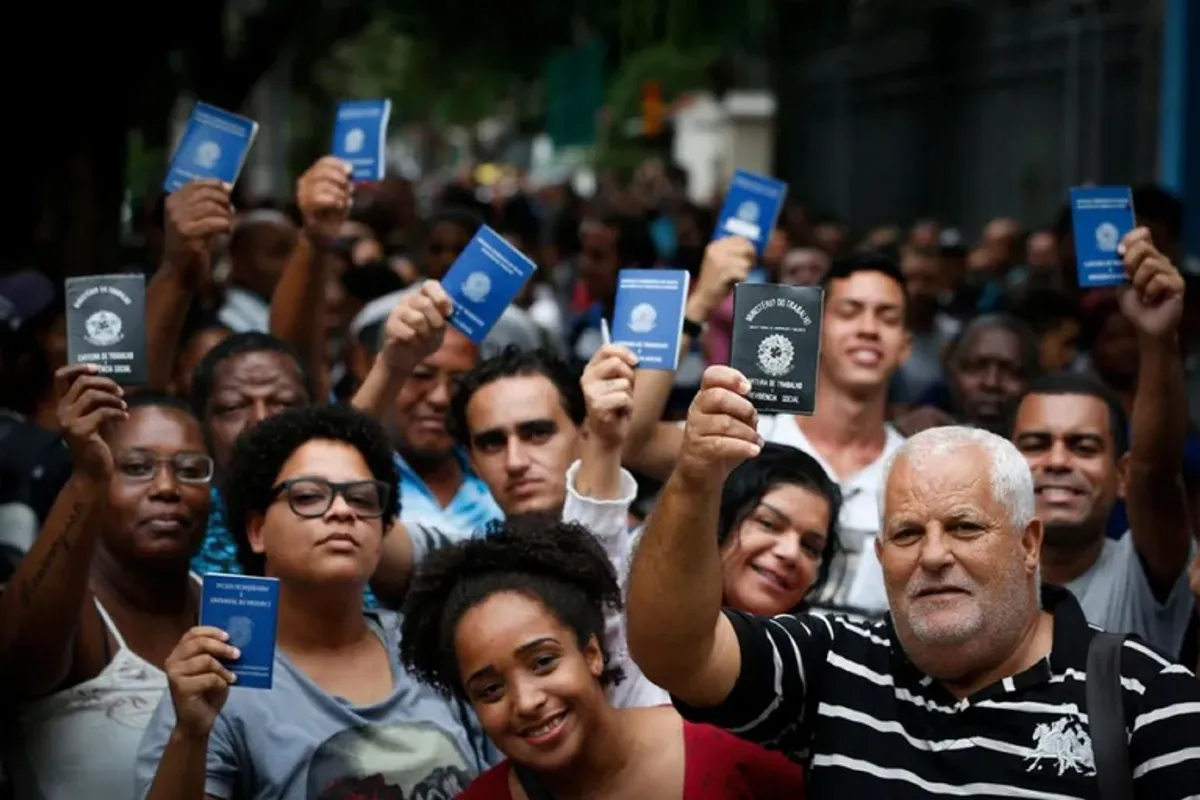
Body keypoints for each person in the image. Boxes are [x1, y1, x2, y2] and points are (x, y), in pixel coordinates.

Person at [626, 373, 1200, 797]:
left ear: (1029, 544)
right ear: (879, 555)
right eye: (905, 534)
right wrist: (696, 478)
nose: (932, 555)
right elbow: (678, 652)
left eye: (964, 527)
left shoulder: (1147, 698)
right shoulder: (837, 663)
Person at [136, 404, 494, 800]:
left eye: (362, 498)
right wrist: (190, 735)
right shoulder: (214, 681)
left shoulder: (433, 648)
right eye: (308, 496)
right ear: (257, 530)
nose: (342, 511)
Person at [397, 518, 806, 799]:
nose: (526, 701)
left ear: (592, 653)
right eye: (490, 690)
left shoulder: (730, 752)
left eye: (543, 662)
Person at [0, 367, 212, 800]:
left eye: (191, 469)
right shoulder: (70, 611)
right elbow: (18, 662)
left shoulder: (227, 606)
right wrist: (87, 477)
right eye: (135, 467)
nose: (168, 487)